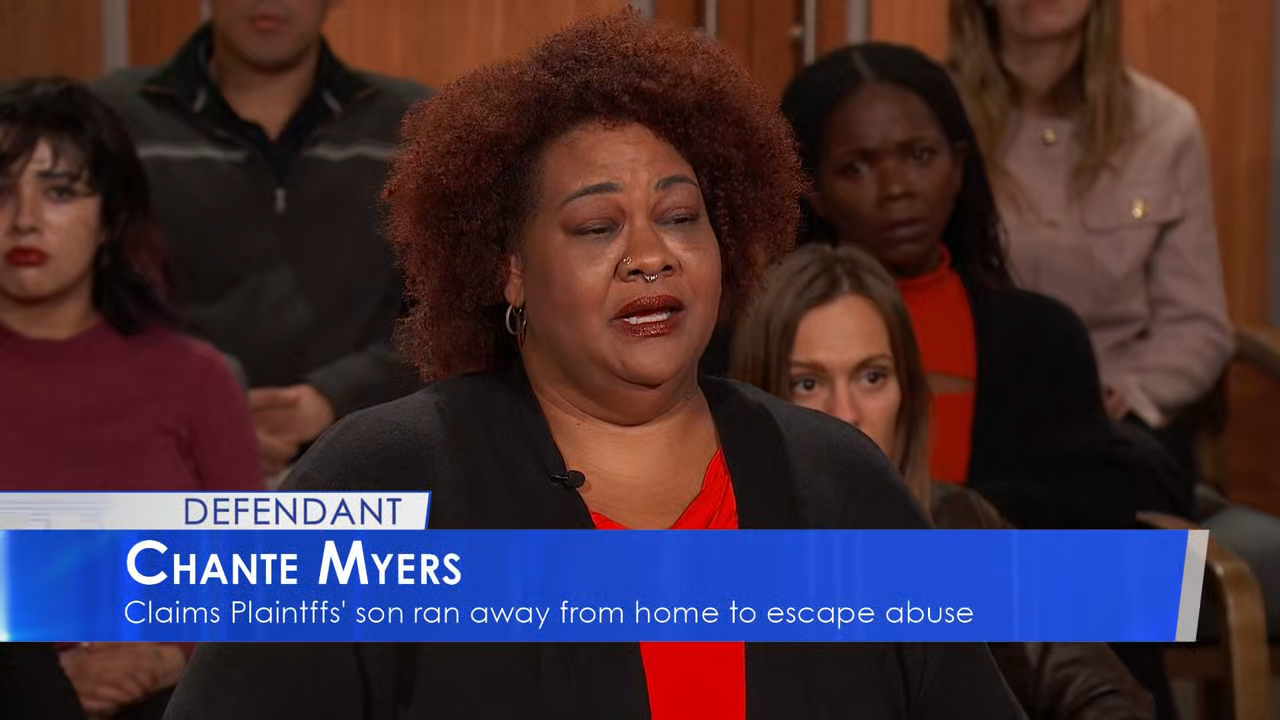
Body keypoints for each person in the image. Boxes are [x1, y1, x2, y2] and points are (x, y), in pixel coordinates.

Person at [163, 16, 1024, 720]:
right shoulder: (378, 480)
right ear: (509, 269)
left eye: (680, 217)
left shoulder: (837, 479)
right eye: (596, 227)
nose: (651, 256)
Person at [732, 243, 1156, 720]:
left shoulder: (958, 522)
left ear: (907, 396)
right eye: (808, 383)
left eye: (872, 377)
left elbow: (1102, 691)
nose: (846, 414)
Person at [778, 41, 1185, 531]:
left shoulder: (1040, 337)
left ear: (958, 166)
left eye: (920, 156)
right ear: (814, 192)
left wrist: (961, 513)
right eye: (857, 167)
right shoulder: (753, 330)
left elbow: (1094, 498)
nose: (896, 188)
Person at [0, 79, 262, 718]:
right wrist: (38, 677)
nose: (24, 219)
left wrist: (172, 654)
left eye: (59, 192)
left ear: (110, 220)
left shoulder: (196, 378)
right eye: (0, 192)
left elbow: (256, 585)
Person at [93, 0, 432, 477]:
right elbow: (69, 301)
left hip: (371, 471)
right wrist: (201, 405)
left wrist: (338, 395)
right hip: (155, 471)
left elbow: (458, 310)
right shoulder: (112, 117)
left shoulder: (414, 126)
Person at [948, 0, 1233, 469]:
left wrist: (1127, 390)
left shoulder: (1165, 128)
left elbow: (1197, 324)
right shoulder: (933, 118)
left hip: (1113, 423)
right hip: (972, 417)